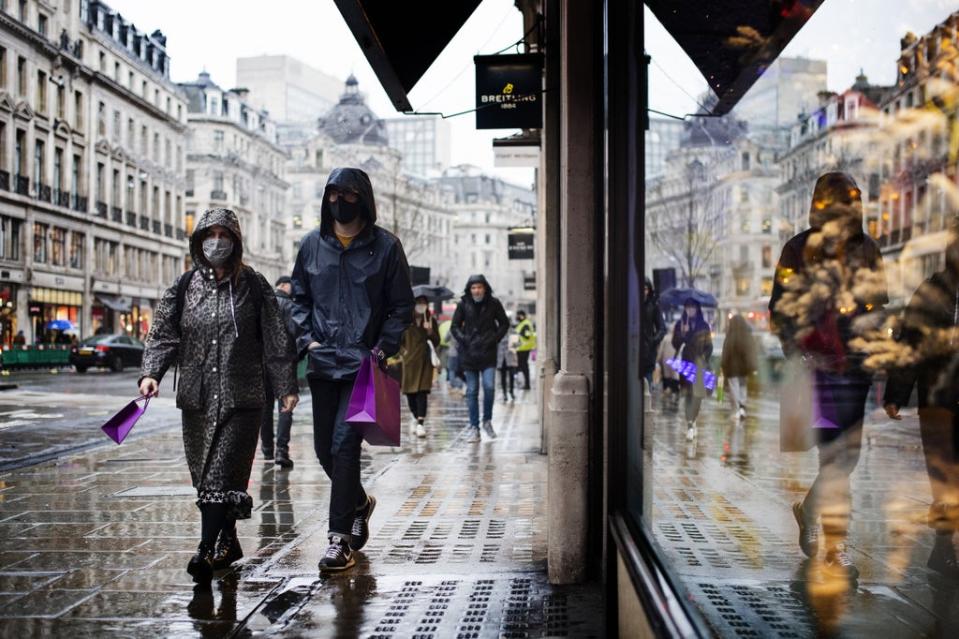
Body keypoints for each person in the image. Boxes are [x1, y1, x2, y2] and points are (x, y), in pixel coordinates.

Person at [138, 208, 298, 588]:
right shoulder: (183, 286)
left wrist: (286, 386)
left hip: (243, 399)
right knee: (209, 478)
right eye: (208, 234)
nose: (216, 241)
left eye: (223, 235)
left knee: (221, 473)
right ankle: (227, 543)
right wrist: (151, 373)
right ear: (198, 241)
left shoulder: (254, 286)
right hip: (197, 398)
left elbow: (275, 338)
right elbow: (162, 333)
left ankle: (205, 549)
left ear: (236, 241)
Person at [289, 167, 413, 572]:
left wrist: (381, 349)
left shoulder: (387, 247)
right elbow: (298, 300)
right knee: (325, 451)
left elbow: (401, 307)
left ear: (363, 197)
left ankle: (338, 540)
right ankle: (359, 502)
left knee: (345, 445)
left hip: (364, 367)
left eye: (347, 193)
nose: (338, 201)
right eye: (332, 194)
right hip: (323, 364)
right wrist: (307, 341)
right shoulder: (311, 246)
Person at [769, 172, 887, 582]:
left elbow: (878, 307)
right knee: (835, 457)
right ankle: (835, 548)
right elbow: (780, 307)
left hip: (854, 368)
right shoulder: (798, 248)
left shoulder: (867, 248)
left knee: (846, 458)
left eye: (851, 199)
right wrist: (796, 353)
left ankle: (811, 512)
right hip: (817, 369)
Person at [884, 218, 959, 579]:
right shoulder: (933, 291)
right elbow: (908, 344)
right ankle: (943, 545)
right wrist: (896, 393)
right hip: (939, 398)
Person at [451, 274, 509, 442]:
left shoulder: (494, 303)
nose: (477, 291)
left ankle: (487, 421)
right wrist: (464, 339)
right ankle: (474, 427)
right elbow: (454, 326)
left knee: (489, 387)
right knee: (472, 391)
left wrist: (494, 338)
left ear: (485, 288)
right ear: (470, 289)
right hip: (469, 354)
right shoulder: (463, 304)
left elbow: (504, 323)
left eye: (479, 287)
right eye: (473, 288)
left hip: (488, 353)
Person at [259, 275, 300, 469]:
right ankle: (282, 451)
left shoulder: (261, 304)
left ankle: (267, 448)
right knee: (286, 406)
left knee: (264, 407)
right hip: (283, 363)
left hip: (261, 362)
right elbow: (295, 334)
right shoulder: (290, 306)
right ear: (283, 285)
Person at [398, 295, 440, 438]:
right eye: (419, 303)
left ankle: (421, 423)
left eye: (424, 303)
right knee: (410, 394)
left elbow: (437, 341)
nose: (421, 306)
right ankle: (416, 417)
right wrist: (403, 352)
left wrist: (430, 332)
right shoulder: (406, 322)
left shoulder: (430, 321)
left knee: (422, 392)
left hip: (424, 361)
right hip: (409, 362)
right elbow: (398, 340)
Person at [672, 298, 713, 441]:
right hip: (685, 365)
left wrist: (704, 358)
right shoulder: (680, 324)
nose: (690, 310)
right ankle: (689, 424)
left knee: (697, 396)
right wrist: (682, 334)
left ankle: (693, 419)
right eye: (687, 307)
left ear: (697, 309)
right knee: (689, 395)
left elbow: (710, 347)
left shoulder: (704, 326)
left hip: (700, 365)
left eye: (692, 307)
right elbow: (674, 343)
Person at [721, 314, 758, 420]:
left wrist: (723, 366)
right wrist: (753, 367)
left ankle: (737, 409)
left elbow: (725, 353)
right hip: (744, 369)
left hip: (732, 369)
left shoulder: (730, 336)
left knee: (734, 389)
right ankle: (742, 407)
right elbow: (751, 353)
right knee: (743, 387)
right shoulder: (747, 336)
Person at [641, 278, 668, 388]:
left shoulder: (654, 306)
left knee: (647, 388)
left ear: (649, 290)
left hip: (648, 355)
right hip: (633, 354)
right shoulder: (632, 305)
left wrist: (653, 341)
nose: (643, 292)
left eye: (645, 289)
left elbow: (662, 328)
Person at [657, 325, 681, 407]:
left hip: (666, 363)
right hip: (675, 364)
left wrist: (659, 361)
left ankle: (665, 404)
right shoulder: (679, 339)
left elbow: (660, 352)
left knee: (666, 382)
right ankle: (675, 403)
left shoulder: (665, 338)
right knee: (675, 383)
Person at [514, 310, 536, 390]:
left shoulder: (525, 324)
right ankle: (524, 384)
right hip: (521, 348)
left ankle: (526, 384)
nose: (517, 317)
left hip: (523, 348)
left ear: (522, 315)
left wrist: (520, 334)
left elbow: (527, 336)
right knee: (521, 366)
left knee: (523, 366)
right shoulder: (523, 323)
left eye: (518, 315)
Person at [497, 332, 519, 403]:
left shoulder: (513, 332)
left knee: (511, 375)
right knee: (503, 377)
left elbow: (518, 343)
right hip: (501, 358)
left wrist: (514, 345)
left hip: (510, 357)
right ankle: (504, 393)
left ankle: (511, 391)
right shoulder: (498, 331)